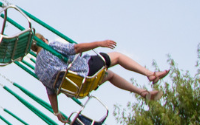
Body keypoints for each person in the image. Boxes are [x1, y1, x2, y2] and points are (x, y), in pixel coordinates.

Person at [31, 37, 169, 120]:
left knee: (109, 75)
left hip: (78, 89)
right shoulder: (50, 47)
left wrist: (56, 112)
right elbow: (76, 48)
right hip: (86, 72)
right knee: (117, 57)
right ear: (43, 41)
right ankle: (150, 74)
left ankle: (143, 93)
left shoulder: (38, 71)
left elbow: (51, 93)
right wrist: (99, 43)